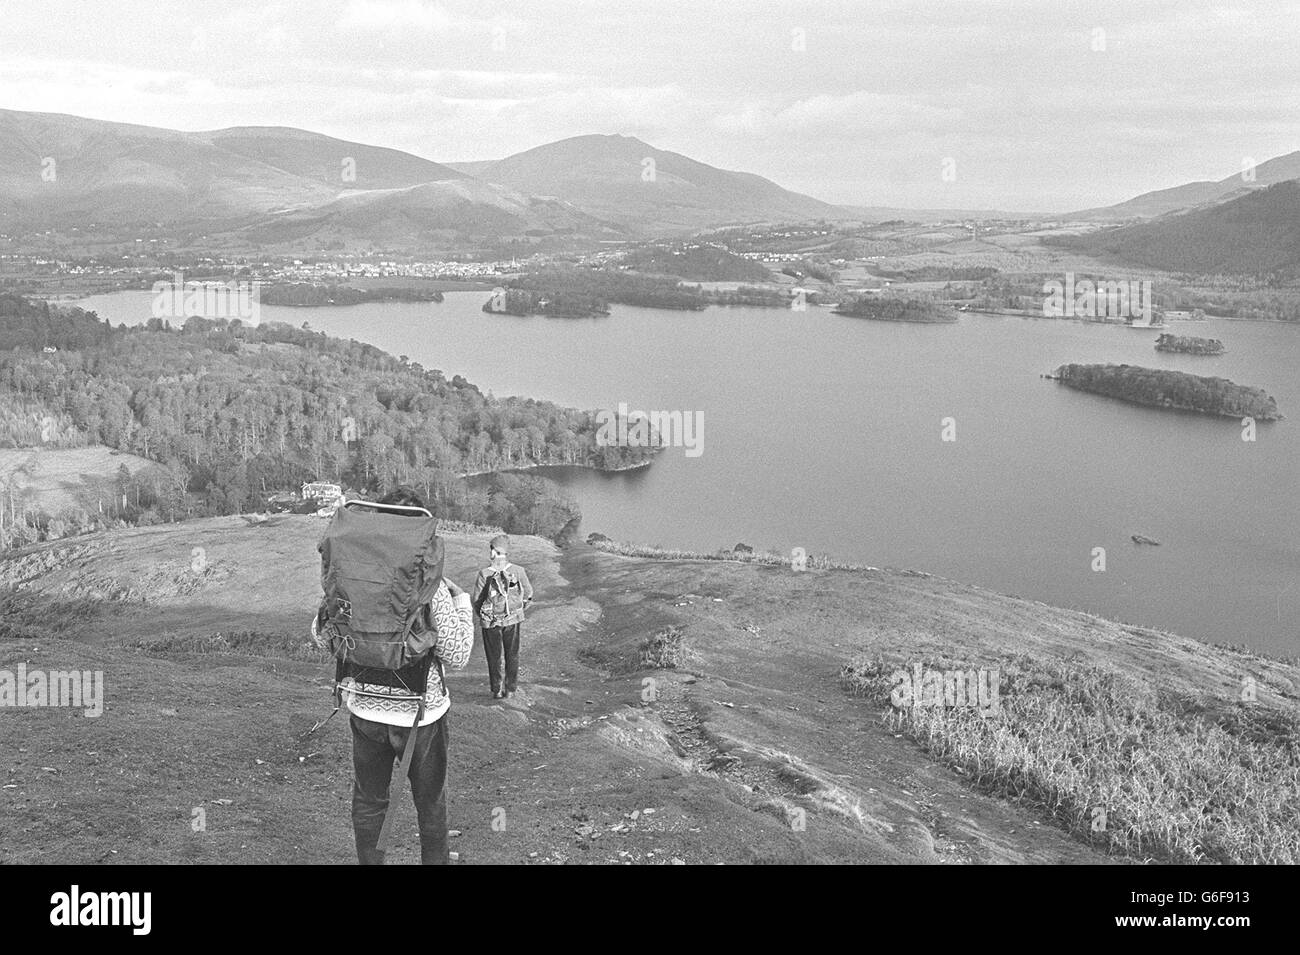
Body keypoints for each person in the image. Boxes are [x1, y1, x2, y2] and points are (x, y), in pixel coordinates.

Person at [311, 487, 473, 865]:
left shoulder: (352, 573)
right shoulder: (425, 581)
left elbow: (321, 635)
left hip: (366, 712)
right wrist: (462, 602)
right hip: (421, 715)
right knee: (430, 804)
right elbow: (458, 653)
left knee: (369, 801)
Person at [473, 534, 533, 699]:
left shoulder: (484, 573)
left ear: (493, 552)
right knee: (512, 654)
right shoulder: (518, 571)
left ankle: (497, 689)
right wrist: (519, 610)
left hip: (490, 622)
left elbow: (476, 600)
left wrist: (483, 615)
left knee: (494, 657)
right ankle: (511, 689)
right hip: (512, 620)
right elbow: (528, 593)